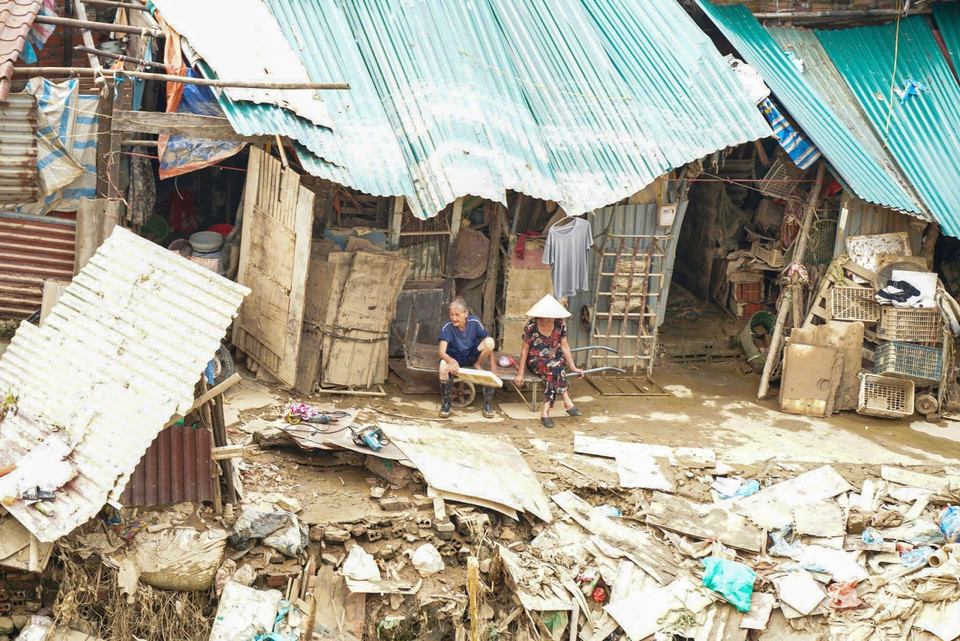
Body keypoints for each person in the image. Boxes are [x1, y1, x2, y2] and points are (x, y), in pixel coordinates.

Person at [513, 294, 583, 428]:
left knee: (554, 371)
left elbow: (565, 346)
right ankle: (566, 401)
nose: (552, 318)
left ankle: (546, 411)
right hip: (536, 360)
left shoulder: (560, 323)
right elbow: (524, 351)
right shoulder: (531, 326)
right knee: (556, 369)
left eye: (554, 315)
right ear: (541, 315)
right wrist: (520, 373)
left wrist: (573, 367)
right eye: (549, 315)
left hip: (555, 360)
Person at [438, 298, 497, 419]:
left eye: (457, 315)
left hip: (471, 355)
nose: (454, 318)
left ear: (466, 314)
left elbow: (487, 342)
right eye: (451, 314)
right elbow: (441, 352)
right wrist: (451, 361)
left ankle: (487, 405)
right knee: (442, 366)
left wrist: (494, 368)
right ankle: (446, 403)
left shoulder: (475, 322)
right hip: (454, 357)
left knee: (490, 342)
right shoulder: (447, 326)